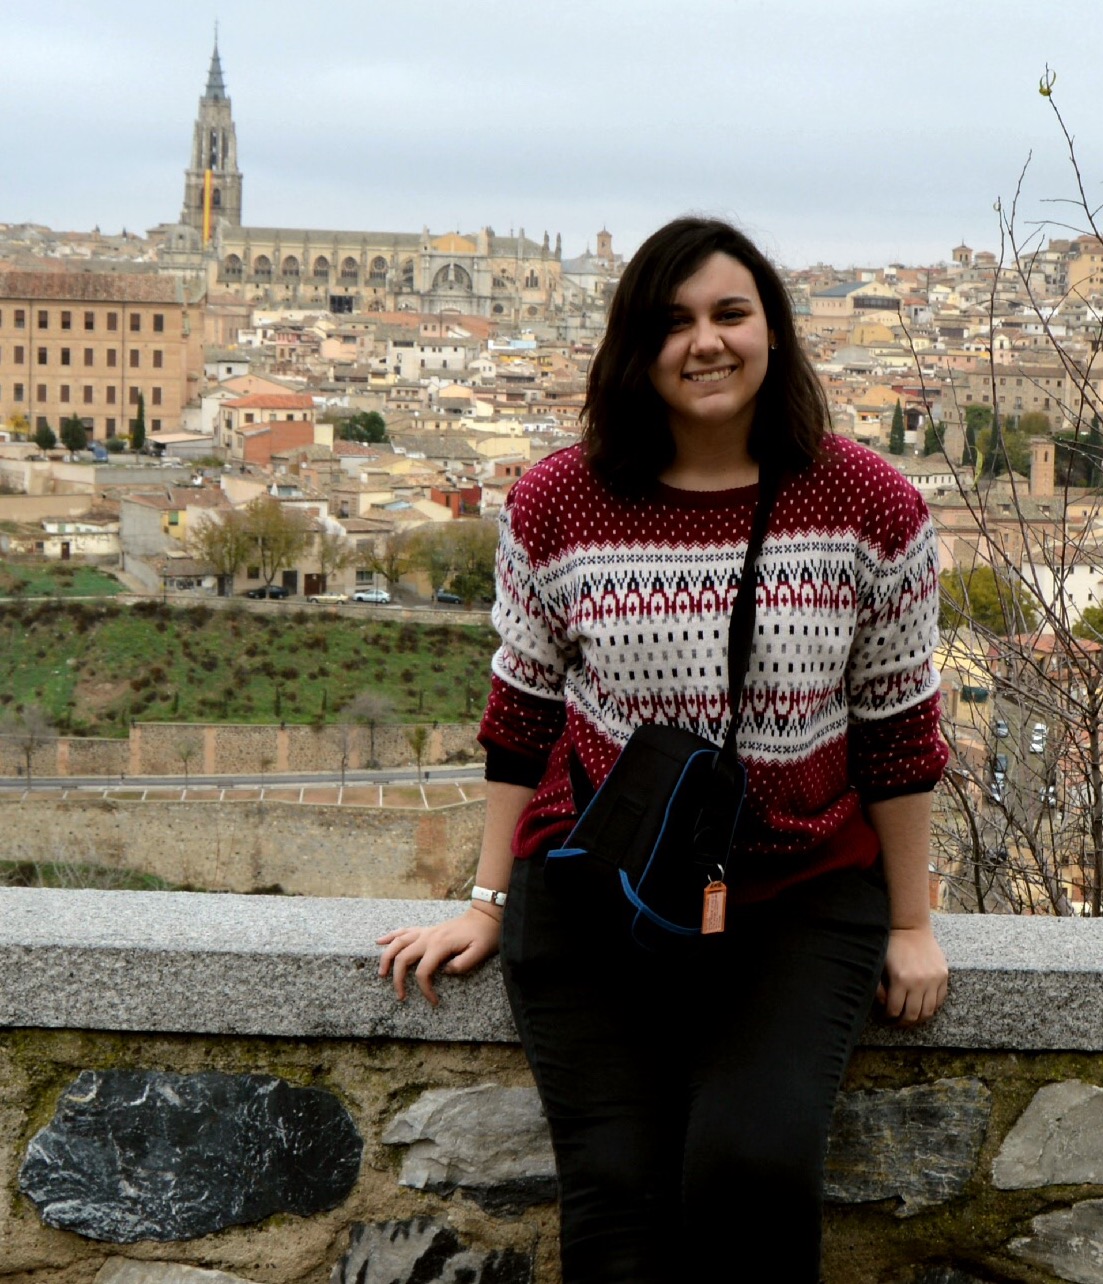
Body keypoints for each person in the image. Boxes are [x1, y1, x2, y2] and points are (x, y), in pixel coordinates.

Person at [378, 216, 949, 1283]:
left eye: (730, 314)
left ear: (773, 331)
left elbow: (898, 727)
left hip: (796, 884)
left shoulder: (869, 504)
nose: (706, 342)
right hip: (596, 883)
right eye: (674, 322)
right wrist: (486, 902)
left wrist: (911, 923)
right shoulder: (559, 502)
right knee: (618, 1204)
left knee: (753, 1166)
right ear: (634, 347)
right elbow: (521, 716)